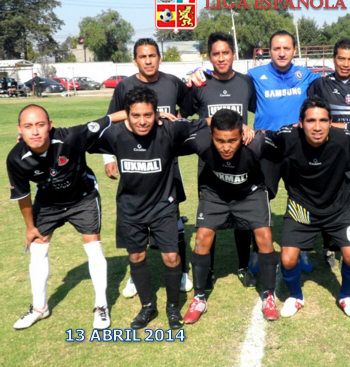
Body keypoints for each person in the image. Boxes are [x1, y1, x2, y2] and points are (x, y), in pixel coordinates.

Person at [90, 86, 206, 330]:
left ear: (156, 114)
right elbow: (80, 136)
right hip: (130, 209)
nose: (142, 121)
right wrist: (115, 117)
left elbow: (206, 122)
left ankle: (172, 307)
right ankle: (147, 306)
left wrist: (241, 126)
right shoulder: (115, 134)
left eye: (148, 115)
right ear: (127, 114)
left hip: (163, 207)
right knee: (136, 256)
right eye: (135, 115)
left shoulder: (169, 129)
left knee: (171, 257)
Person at [7, 104, 127, 330]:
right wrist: (30, 227)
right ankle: (39, 308)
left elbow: (109, 118)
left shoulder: (71, 136)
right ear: (20, 129)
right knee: (38, 248)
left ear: (50, 126)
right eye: (28, 126)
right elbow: (23, 196)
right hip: (48, 202)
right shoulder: (16, 158)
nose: (35, 131)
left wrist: (153, 114)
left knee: (93, 247)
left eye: (40, 125)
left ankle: (101, 306)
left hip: (83, 198)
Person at [104, 38, 193, 297]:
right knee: (135, 217)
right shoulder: (125, 86)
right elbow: (111, 122)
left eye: (152, 55)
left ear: (159, 58)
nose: (148, 60)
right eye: (142, 57)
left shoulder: (172, 82)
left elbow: (188, 107)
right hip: (135, 162)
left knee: (173, 216)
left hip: (166, 163)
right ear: (135, 61)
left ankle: (182, 271)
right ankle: (136, 276)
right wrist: (109, 158)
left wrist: (173, 121)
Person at [263, 97, 350, 318]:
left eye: (323, 120)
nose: (317, 127)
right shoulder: (287, 137)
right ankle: (296, 296)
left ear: (331, 122)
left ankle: (346, 296)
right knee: (288, 259)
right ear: (300, 123)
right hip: (301, 207)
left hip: (338, 209)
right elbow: (260, 137)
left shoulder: (345, 139)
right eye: (310, 121)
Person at [176, 109, 280, 323]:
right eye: (220, 141)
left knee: (265, 237)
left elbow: (285, 150)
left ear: (242, 134)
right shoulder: (200, 141)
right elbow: (169, 140)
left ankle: (269, 295)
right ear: (211, 135)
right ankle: (199, 298)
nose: (226, 147)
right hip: (215, 194)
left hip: (251, 193)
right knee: (202, 238)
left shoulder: (256, 143)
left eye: (232, 140)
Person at [180, 31, 258, 290]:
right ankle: (209, 269)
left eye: (226, 53)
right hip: (210, 163)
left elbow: (260, 111)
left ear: (233, 54)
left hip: (241, 161)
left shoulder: (246, 83)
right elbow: (183, 117)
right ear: (209, 56)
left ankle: (243, 266)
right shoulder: (200, 84)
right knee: (209, 221)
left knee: (243, 218)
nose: (221, 58)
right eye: (216, 54)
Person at [246, 30, 321, 273]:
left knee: (301, 198)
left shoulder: (305, 75)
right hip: (266, 148)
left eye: (286, 48)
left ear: (294, 50)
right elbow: (233, 90)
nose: (281, 53)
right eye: (276, 48)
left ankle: (303, 249)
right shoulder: (254, 75)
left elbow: (331, 85)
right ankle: (257, 251)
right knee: (260, 200)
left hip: (296, 147)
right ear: (269, 51)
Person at [307, 38, 350, 268]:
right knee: (329, 200)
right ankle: (329, 247)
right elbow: (314, 116)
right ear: (333, 58)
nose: (345, 63)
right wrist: (344, 127)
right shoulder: (320, 85)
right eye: (341, 58)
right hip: (330, 154)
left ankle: (348, 244)